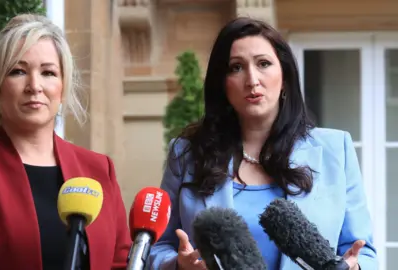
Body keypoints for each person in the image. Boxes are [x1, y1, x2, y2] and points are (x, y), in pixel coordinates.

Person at [147, 17, 377, 270]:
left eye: (264, 64)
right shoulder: (187, 153)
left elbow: (365, 254)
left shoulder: (336, 149)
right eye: (236, 67)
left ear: (285, 77)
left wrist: (354, 268)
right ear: (222, 84)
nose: (252, 80)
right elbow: (155, 249)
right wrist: (179, 265)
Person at [0, 14, 131, 270]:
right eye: (18, 71)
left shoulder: (99, 169)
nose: (34, 86)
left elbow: (120, 262)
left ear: (63, 86)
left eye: (48, 72)